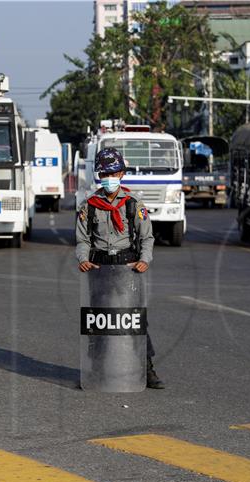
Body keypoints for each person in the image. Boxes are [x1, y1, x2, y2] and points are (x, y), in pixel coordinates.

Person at [76, 147, 164, 389]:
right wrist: (83, 258)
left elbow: (147, 237)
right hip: (99, 267)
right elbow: (83, 239)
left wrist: (144, 260)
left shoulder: (133, 204)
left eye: (113, 173)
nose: (108, 178)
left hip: (128, 268)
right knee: (98, 320)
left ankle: (146, 370)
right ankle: (95, 371)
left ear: (122, 174)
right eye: (104, 173)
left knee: (133, 320)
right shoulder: (89, 206)